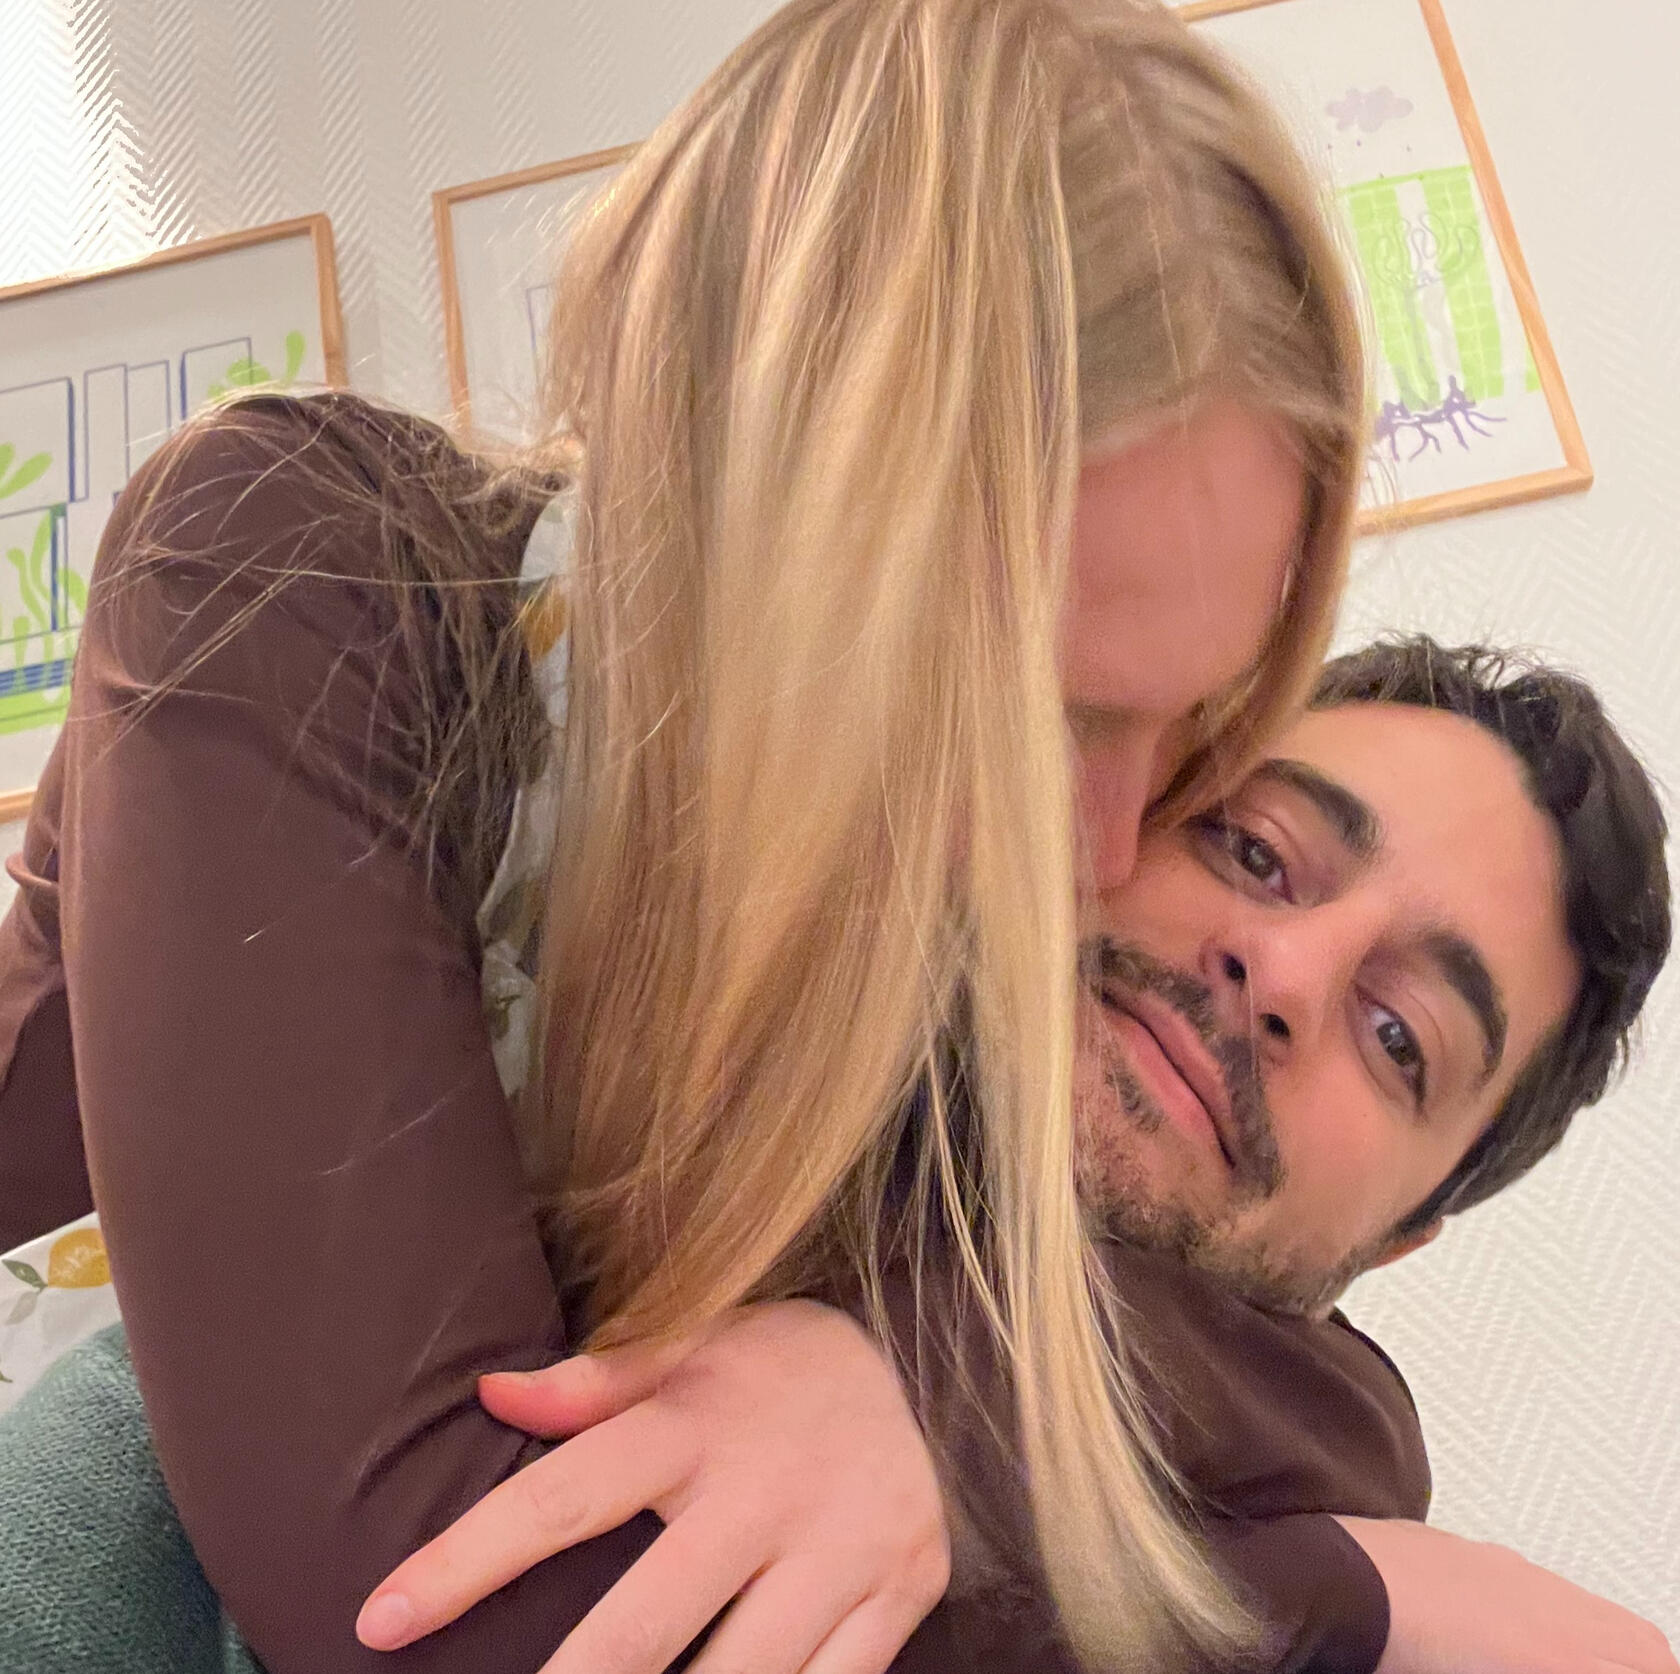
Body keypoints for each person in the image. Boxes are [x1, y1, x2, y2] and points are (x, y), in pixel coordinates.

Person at [0, 0, 1367, 1670]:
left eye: (1190, 729)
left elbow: (1325, 1391)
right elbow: (437, 1616)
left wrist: (923, 1400)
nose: (1101, 851)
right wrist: (1359, 1603)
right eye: (1034, 717)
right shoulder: (303, 572)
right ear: (758, 499)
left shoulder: (929, 903)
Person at [3, 636, 1674, 1674]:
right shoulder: (661, 963)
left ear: (1397, 1239)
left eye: (1401, 1037)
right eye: (1254, 848)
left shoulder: (1304, 1459)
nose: (1283, 970)